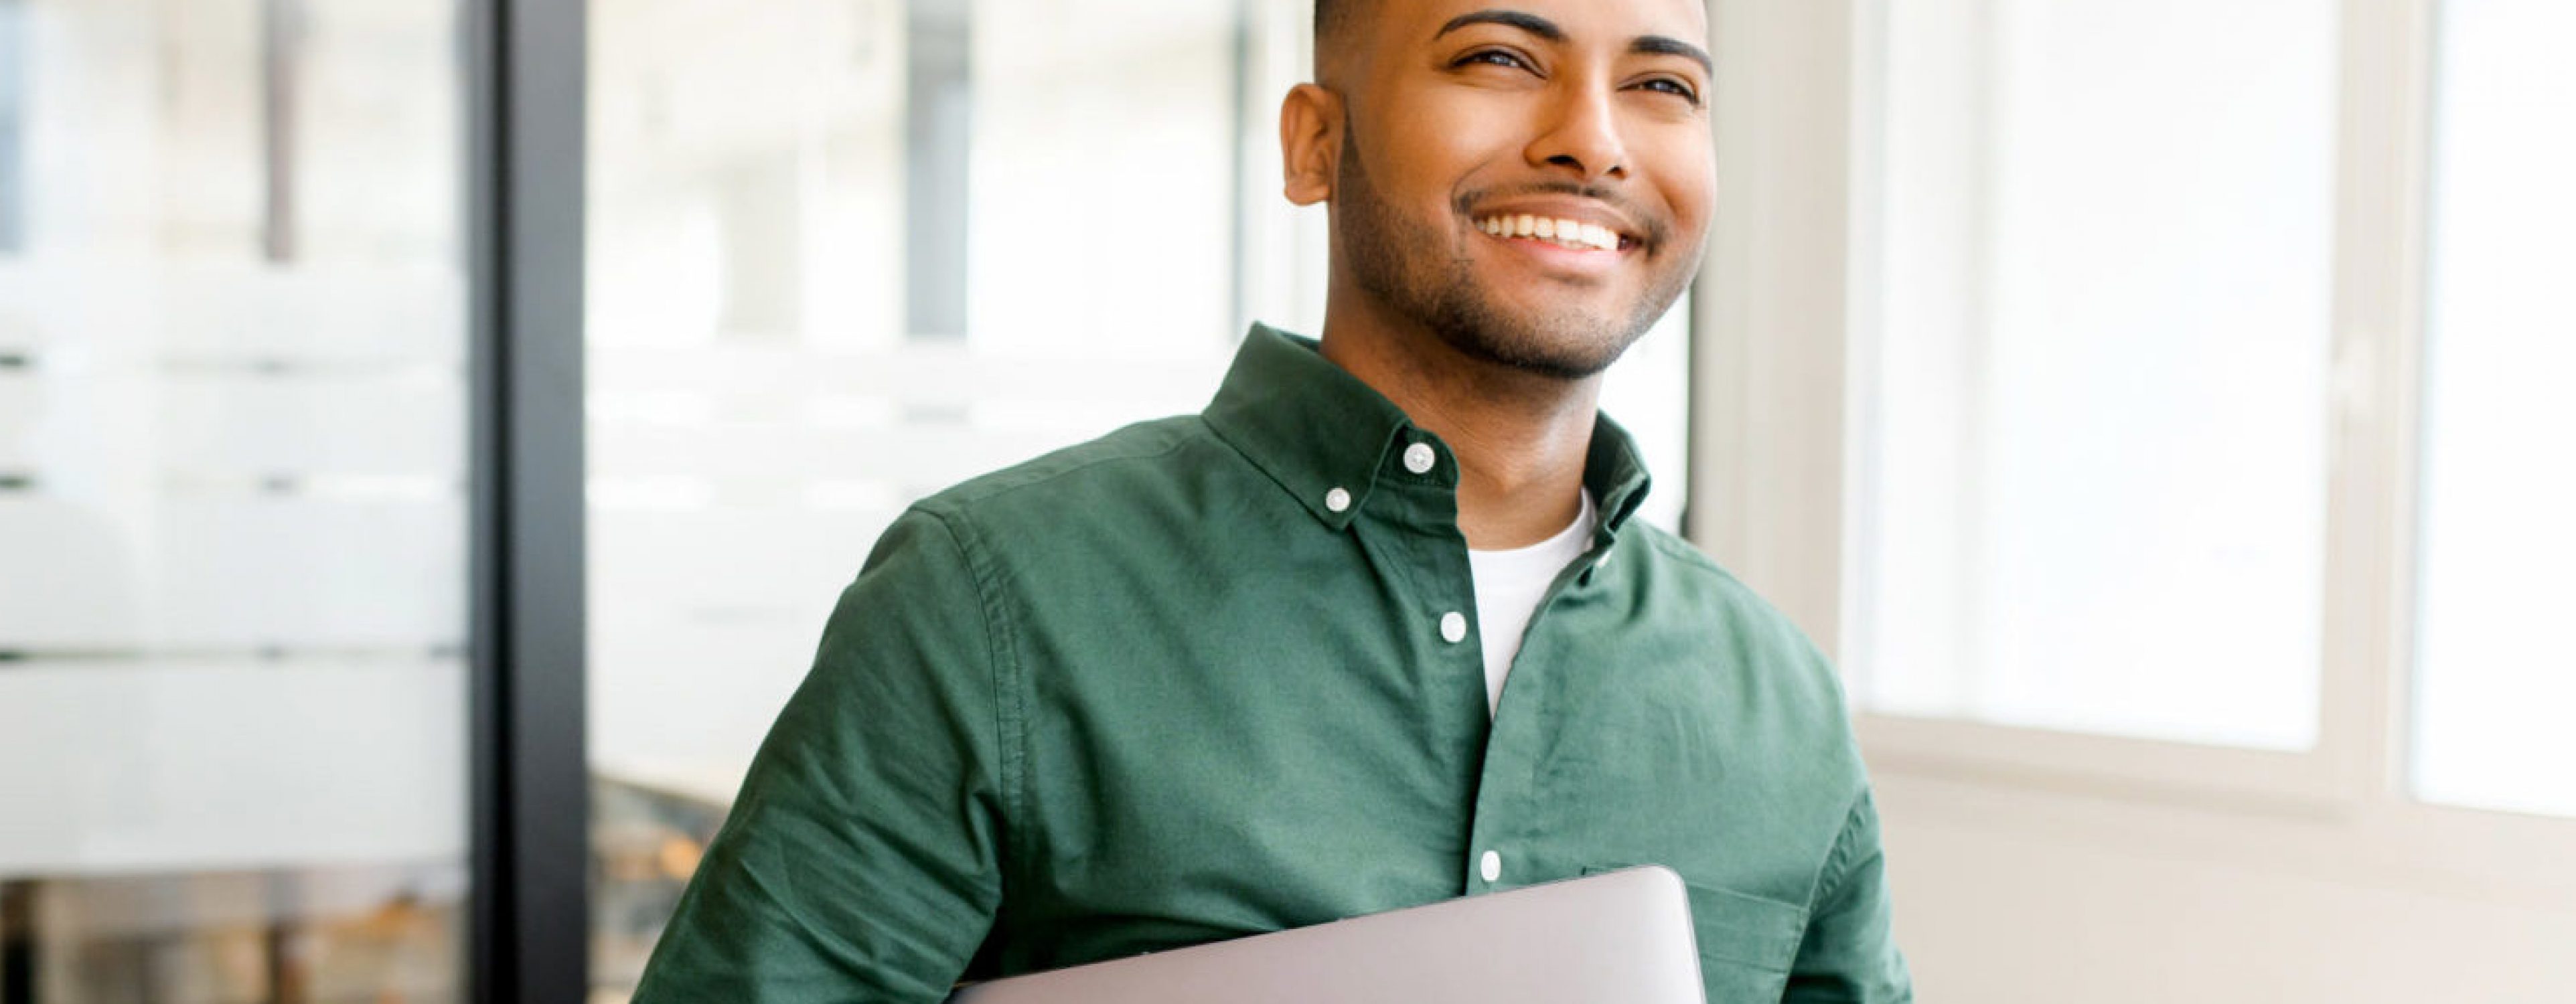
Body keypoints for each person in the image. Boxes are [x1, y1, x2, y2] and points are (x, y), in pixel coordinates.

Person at [629, 0, 1910, 1000]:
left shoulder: (1780, 704)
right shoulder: (993, 599)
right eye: (1499, 59)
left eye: (1662, 84)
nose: (1593, 136)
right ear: (1314, 143)